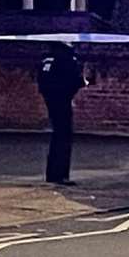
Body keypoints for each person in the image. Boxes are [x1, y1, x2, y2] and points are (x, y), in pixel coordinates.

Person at [37, 42, 86, 185]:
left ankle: (51, 174)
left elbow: (41, 80)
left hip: (50, 100)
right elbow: (75, 80)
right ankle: (61, 175)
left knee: (56, 136)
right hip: (63, 100)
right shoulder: (68, 58)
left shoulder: (47, 58)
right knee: (64, 137)